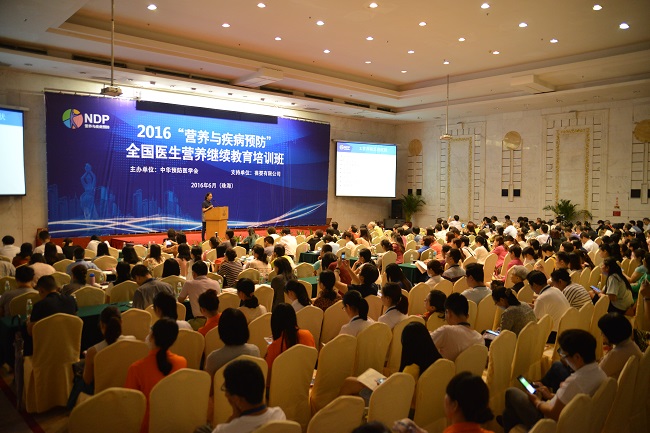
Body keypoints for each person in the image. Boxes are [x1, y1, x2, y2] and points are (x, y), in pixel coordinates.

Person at [502, 329, 606, 432]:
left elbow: (553, 414)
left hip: (548, 423)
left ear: (577, 357)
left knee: (511, 392)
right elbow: (570, 402)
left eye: (565, 355)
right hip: (576, 418)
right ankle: (509, 420)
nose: (564, 359)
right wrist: (550, 396)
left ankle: (511, 424)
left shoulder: (575, 382)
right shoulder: (601, 373)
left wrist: (537, 402)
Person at [125, 318, 187, 433]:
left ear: (152, 336)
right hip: (175, 423)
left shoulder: (136, 368)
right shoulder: (182, 362)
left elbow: (129, 405)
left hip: (147, 426)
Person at [67, 306, 135, 408]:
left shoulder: (93, 351)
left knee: (78, 378)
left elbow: (87, 380)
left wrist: (88, 359)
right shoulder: (132, 341)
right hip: (125, 387)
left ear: (102, 325)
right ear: (121, 322)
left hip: (101, 393)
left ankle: (71, 409)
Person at [209, 359, 286, 433]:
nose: (226, 394)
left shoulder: (225, 430)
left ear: (237, 399)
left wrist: (233, 417)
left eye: (226, 390)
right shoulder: (279, 415)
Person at [204, 308, 260, 376]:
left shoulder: (213, 358)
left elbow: (209, 381)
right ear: (245, 329)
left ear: (221, 330)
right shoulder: (254, 351)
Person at [265, 303, 315, 376]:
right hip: (306, 380)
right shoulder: (308, 335)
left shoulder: (274, 346)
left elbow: (268, 376)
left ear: (275, 323)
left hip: (282, 382)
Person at [430, 293, 483, 361]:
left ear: (448, 313)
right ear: (467, 316)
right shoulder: (480, 339)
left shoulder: (446, 331)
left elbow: (424, 346)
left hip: (445, 368)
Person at [526, 270, 570, 343]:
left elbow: (535, 323)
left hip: (555, 334)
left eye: (530, 285)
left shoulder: (541, 299)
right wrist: (534, 306)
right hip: (566, 329)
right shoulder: (556, 290)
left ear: (534, 285)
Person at [178, 260, 221, 329]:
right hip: (216, 321)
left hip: (199, 322)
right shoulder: (215, 283)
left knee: (183, 326)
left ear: (194, 273)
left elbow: (180, 300)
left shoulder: (189, 284)